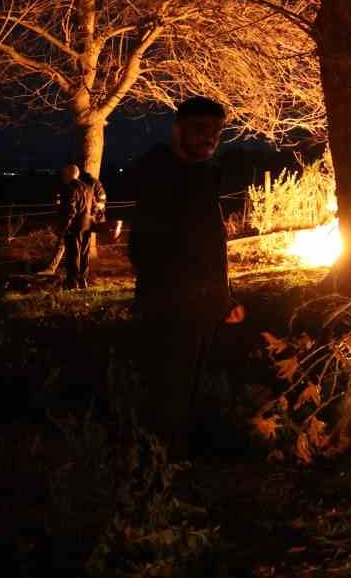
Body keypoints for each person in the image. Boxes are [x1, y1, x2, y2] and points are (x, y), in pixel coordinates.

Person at [125, 96, 245, 456]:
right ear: (178, 129)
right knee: (166, 391)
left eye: (216, 131)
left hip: (201, 308)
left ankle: (173, 463)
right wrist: (181, 296)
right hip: (170, 308)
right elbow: (146, 249)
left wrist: (223, 297)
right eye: (200, 129)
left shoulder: (205, 175)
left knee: (188, 388)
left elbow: (210, 244)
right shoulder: (161, 176)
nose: (209, 138)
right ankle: (157, 471)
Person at [48, 164, 98, 289]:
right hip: (87, 225)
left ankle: (72, 281)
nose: (63, 176)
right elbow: (95, 207)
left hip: (74, 225)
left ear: (69, 174)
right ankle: (83, 280)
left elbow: (70, 209)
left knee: (73, 253)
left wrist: (64, 226)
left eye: (64, 174)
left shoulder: (69, 188)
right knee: (84, 253)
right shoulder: (88, 187)